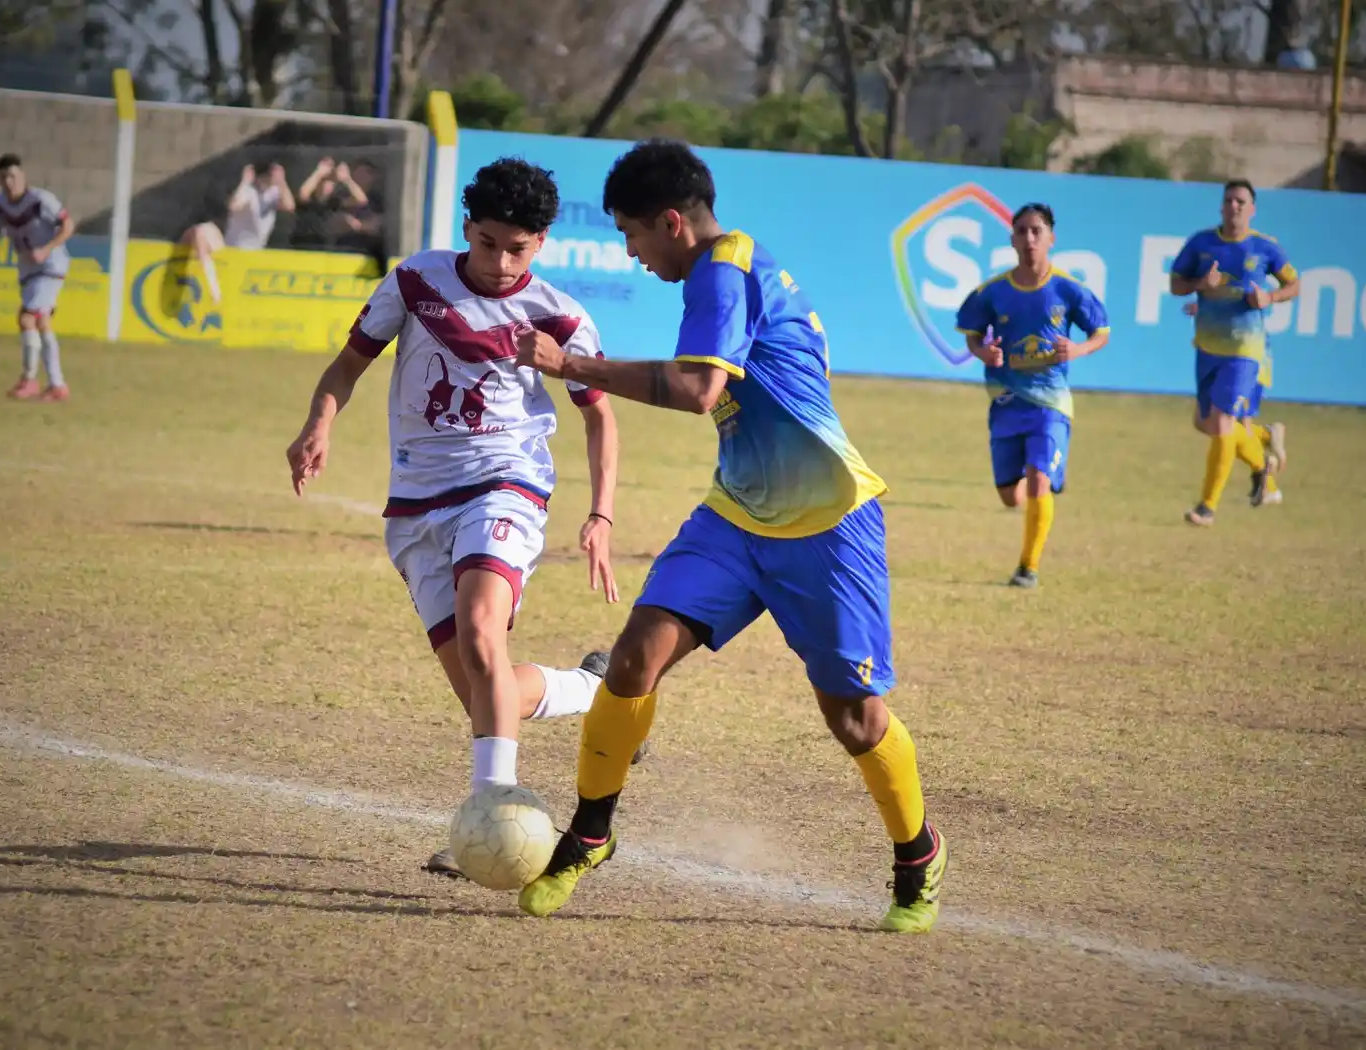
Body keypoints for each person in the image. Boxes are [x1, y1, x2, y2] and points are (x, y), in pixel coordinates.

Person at [512, 139, 946, 934]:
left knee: (852, 716)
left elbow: (697, 386)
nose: (632, 255)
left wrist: (574, 364)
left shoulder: (725, 266)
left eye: (631, 236)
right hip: (737, 516)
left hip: (828, 525)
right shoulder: (723, 270)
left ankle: (918, 855)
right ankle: (590, 834)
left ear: (671, 222)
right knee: (635, 656)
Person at [285, 157, 632, 877]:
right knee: (485, 683)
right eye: (488, 243)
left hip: (506, 486)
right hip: (415, 504)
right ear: (466, 229)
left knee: (480, 632)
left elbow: (601, 421)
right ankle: (595, 689)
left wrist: (601, 514)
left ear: (541, 244)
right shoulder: (414, 281)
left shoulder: (561, 317)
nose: (501, 262)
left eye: (518, 248)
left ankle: (490, 818)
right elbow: (347, 365)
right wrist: (319, 423)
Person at [955, 203, 1110, 588]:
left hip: (1050, 403)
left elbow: (1101, 331)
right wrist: (982, 351)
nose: (1029, 239)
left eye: (1037, 231)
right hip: (1006, 402)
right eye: (1021, 231)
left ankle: (1028, 566)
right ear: (1012, 239)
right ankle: (1042, 480)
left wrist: (1077, 350)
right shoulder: (993, 292)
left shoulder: (1068, 290)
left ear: (1051, 238)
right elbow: (972, 333)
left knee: (1038, 479)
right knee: (1011, 496)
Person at [1169, 179, 1300, 526]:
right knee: (1206, 422)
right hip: (1208, 347)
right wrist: (1200, 286)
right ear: (1221, 206)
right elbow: (1175, 284)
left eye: (1242, 201)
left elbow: (1294, 284)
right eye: (1229, 200)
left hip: (1246, 349)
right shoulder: (1201, 243)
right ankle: (1264, 453)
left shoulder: (1264, 248)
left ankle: (1207, 507)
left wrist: (1270, 298)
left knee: (1224, 421)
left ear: (1252, 209)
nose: (1235, 206)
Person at [0, 153, 76, 402]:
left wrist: (46, 249)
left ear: (22, 176)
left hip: (51, 265)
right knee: (42, 322)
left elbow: (68, 226)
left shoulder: (41, 200)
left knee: (27, 319)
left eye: (13, 176)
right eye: (4, 177)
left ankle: (29, 380)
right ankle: (57, 385)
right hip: (28, 270)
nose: (9, 182)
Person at [1184, 299, 1286, 506]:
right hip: (1224, 354)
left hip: (1246, 355)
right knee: (1203, 421)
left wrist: (1213, 308)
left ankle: (1264, 481)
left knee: (1232, 426)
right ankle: (1265, 437)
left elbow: (1249, 297)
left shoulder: (1241, 273)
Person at [180, 161, 295, 306]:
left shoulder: (274, 193)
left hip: (256, 253)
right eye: (271, 175)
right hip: (234, 249)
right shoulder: (249, 192)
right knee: (201, 231)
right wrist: (245, 182)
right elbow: (234, 206)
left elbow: (290, 205)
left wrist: (282, 182)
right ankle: (212, 287)